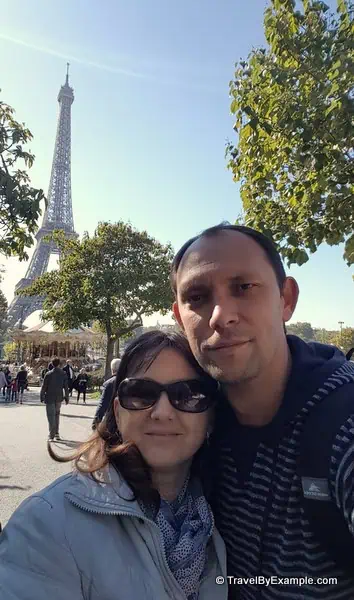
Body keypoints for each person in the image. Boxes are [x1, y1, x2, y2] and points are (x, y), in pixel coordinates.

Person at [171, 223, 354, 600]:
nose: (220, 316)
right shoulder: (188, 421)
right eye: (198, 297)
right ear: (178, 318)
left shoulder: (344, 427)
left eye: (243, 288)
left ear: (286, 300)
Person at [0, 330, 227, 600]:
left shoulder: (228, 517)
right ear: (118, 412)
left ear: (211, 416)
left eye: (188, 394)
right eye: (141, 393)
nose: (162, 412)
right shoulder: (47, 523)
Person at [40, 358, 69, 441]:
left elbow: (44, 386)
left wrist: (42, 396)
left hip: (49, 397)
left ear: (52, 364)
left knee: (50, 416)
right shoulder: (63, 373)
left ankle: (51, 434)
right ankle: (57, 433)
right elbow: (66, 387)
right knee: (57, 415)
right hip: (59, 397)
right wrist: (67, 397)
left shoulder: (48, 374)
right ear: (59, 364)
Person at [92, 357, 121, 429]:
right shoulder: (129, 383)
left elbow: (103, 404)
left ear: (112, 370)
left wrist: (96, 421)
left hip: (112, 421)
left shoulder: (109, 384)